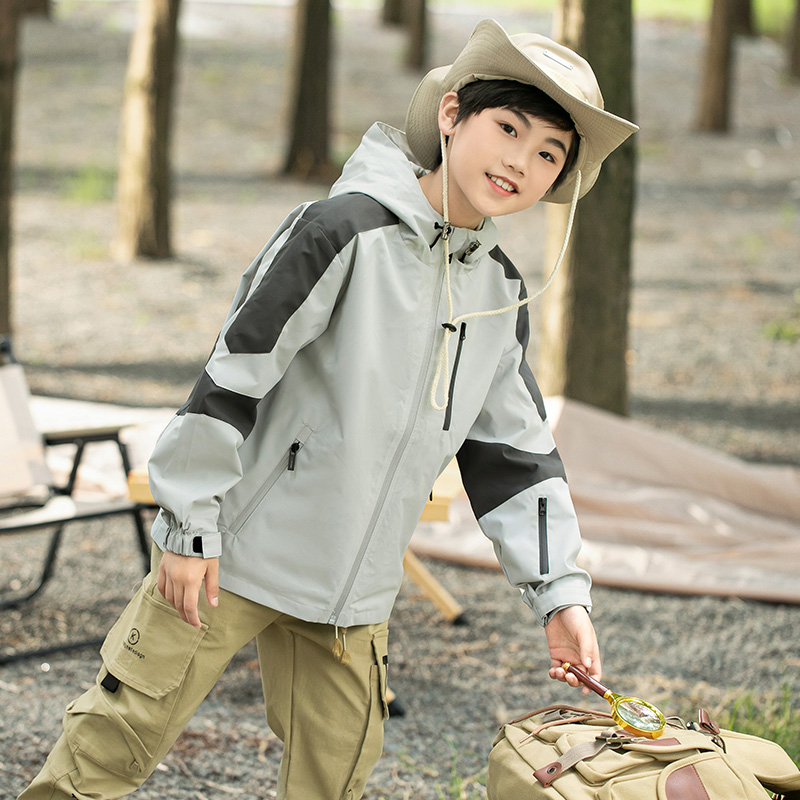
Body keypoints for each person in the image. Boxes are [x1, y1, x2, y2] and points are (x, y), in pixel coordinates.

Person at [19, 18, 637, 800]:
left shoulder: (500, 293)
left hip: (355, 593)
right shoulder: (341, 231)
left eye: (549, 152)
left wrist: (560, 596)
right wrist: (187, 525)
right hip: (229, 556)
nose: (521, 159)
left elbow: (514, 460)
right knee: (107, 750)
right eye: (507, 127)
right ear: (451, 116)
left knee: (336, 782)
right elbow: (233, 377)